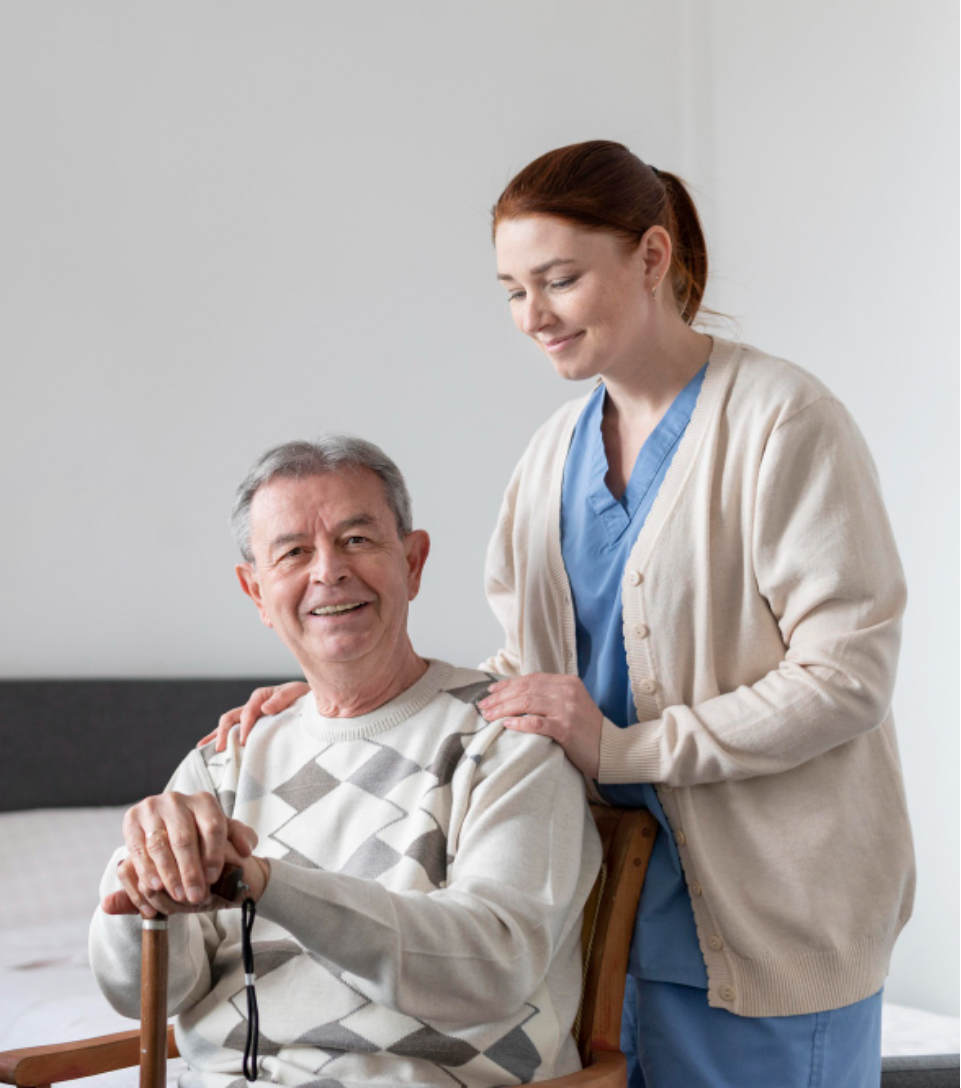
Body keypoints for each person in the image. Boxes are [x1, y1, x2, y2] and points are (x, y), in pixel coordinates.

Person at [208, 142, 915, 1088]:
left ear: (652, 257)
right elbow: (521, 682)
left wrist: (620, 750)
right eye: (511, 290)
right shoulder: (550, 456)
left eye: (559, 280)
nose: (532, 317)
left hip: (770, 911)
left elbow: (846, 679)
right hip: (602, 922)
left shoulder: (781, 422)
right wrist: (335, 687)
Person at [90, 436, 601, 1088]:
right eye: (293, 552)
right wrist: (141, 883)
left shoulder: (506, 742)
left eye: (357, 541)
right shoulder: (225, 760)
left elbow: (490, 968)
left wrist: (269, 884)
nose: (327, 571)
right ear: (255, 591)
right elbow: (154, 994)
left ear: (413, 563)